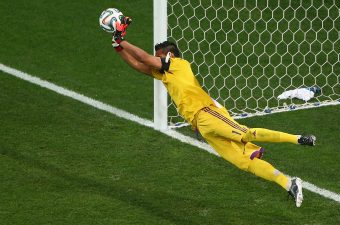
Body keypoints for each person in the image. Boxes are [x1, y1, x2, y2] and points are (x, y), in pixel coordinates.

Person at [110, 17, 316, 207]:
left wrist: (123, 40)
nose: (155, 60)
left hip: (207, 113)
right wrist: (118, 46)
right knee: (246, 163)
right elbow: (139, 65)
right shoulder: (166, 75)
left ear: (169, 55)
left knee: (246, 133)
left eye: (159, 56)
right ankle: (289, 183)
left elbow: (145, 59)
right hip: (202, 125)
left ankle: (299, 139)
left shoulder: (179, 64)